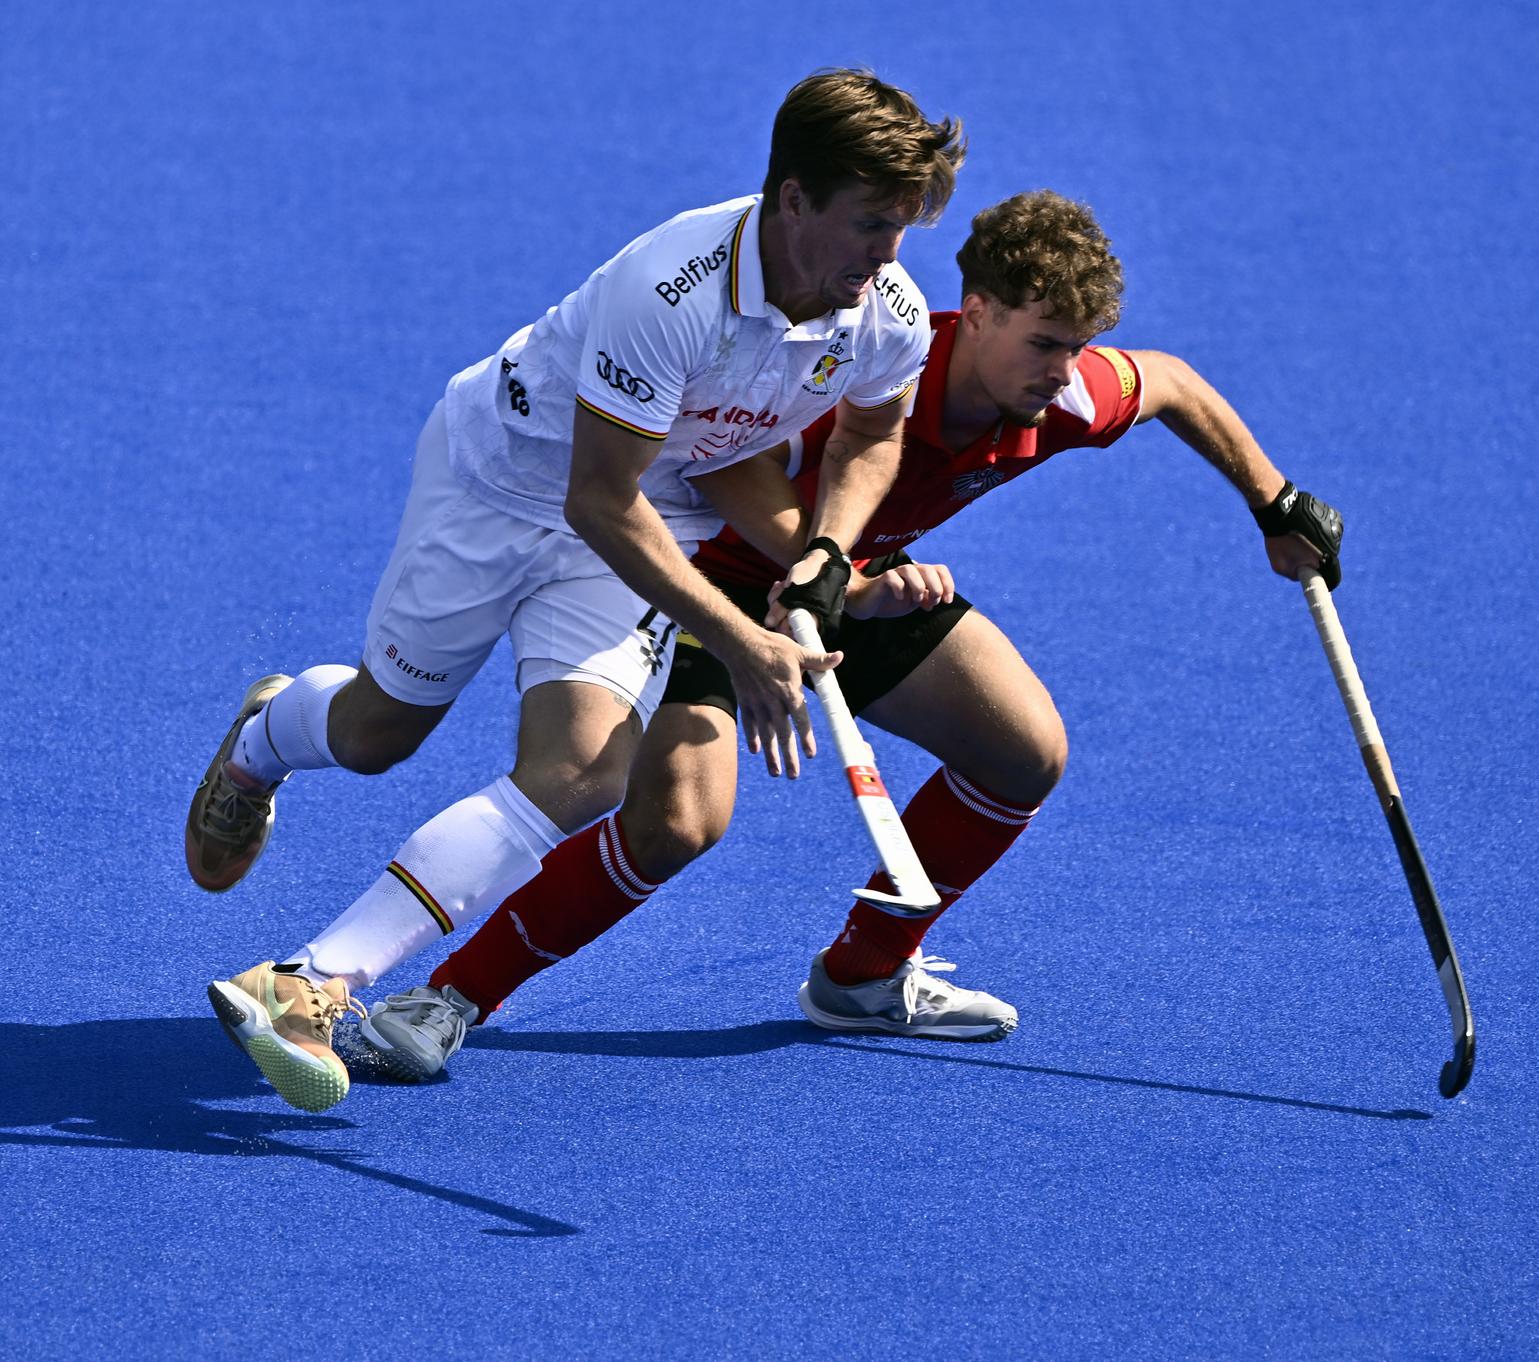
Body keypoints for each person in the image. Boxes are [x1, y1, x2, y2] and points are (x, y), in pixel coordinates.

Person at [360, 189, 1343, 1079]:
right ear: (980, 311)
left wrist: (1275, 501)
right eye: (1045, 343)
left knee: (1023, 752)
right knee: (677, 826)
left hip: (853, 589)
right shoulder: (857, 379)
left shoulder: (1068, 395)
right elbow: (713, 470)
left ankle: (862, 978)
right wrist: (818, 570)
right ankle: (449, 996)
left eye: (1078, 346)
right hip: (713, 584)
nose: (1064, 371)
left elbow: (1170, 382)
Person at [186, 70, 966, 1113]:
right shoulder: (672, 291)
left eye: (903, 228)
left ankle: (311, 982)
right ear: (792, 200)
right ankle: (263, 738)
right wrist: (740, 638)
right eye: (871, 223)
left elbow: (872, 431)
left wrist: (825, 553)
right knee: (379, 734)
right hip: (501, 485)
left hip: (650, 517)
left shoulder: (886, 313)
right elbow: (599, 498)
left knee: (587, 772)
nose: (888, 255)